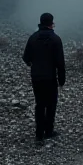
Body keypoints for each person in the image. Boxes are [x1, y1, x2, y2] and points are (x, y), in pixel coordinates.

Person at [22, 13, 66, 142]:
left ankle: (39, 134)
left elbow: (26, 58)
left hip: (36, 77)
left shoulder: (33, 38)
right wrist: (61, 80)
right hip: (50, 78)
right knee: (51, 105)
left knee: (40, 105)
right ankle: (49, 131)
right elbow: (60, 63)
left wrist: (33, 64)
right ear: (51, 23)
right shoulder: (56, 39)